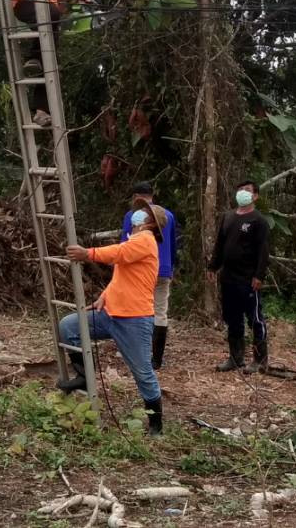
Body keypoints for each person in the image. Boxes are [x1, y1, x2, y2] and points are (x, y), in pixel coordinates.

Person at [57, 209, 164, 434]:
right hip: (109, 314)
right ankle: (84, 377)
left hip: (134, 319)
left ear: (151, 224)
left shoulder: (145, 240)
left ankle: (156, 424)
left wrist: (88, 253)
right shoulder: (134, 242)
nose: (138, 215)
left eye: (144, 213)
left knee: (143, 372)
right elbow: (122, 277)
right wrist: (104, 296)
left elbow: (118, 254)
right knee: (69, 326)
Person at [208, 179, 270, 373]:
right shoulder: (228, 217)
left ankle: (260, 360)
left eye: (247, 190)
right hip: (229, 278)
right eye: (240, 189)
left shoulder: (259, 221)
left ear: (255, 196)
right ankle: (236, 358)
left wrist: (259, 275)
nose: (242, 192)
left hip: (248, 279)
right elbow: (219, 245)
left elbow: (263, 251)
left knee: (255, 319)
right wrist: (212, 267)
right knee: (232, 319)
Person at [122, 183, 180, 370]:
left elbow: (125, 245)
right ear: (152, 196)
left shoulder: (132, 216)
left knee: (139, 311)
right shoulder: (168, 215)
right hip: (163, 269)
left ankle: (140, 355)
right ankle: (157, 359)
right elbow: (172, 245)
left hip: (140, 270)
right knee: (160, 312)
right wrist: (170, 268)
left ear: (136, 197)